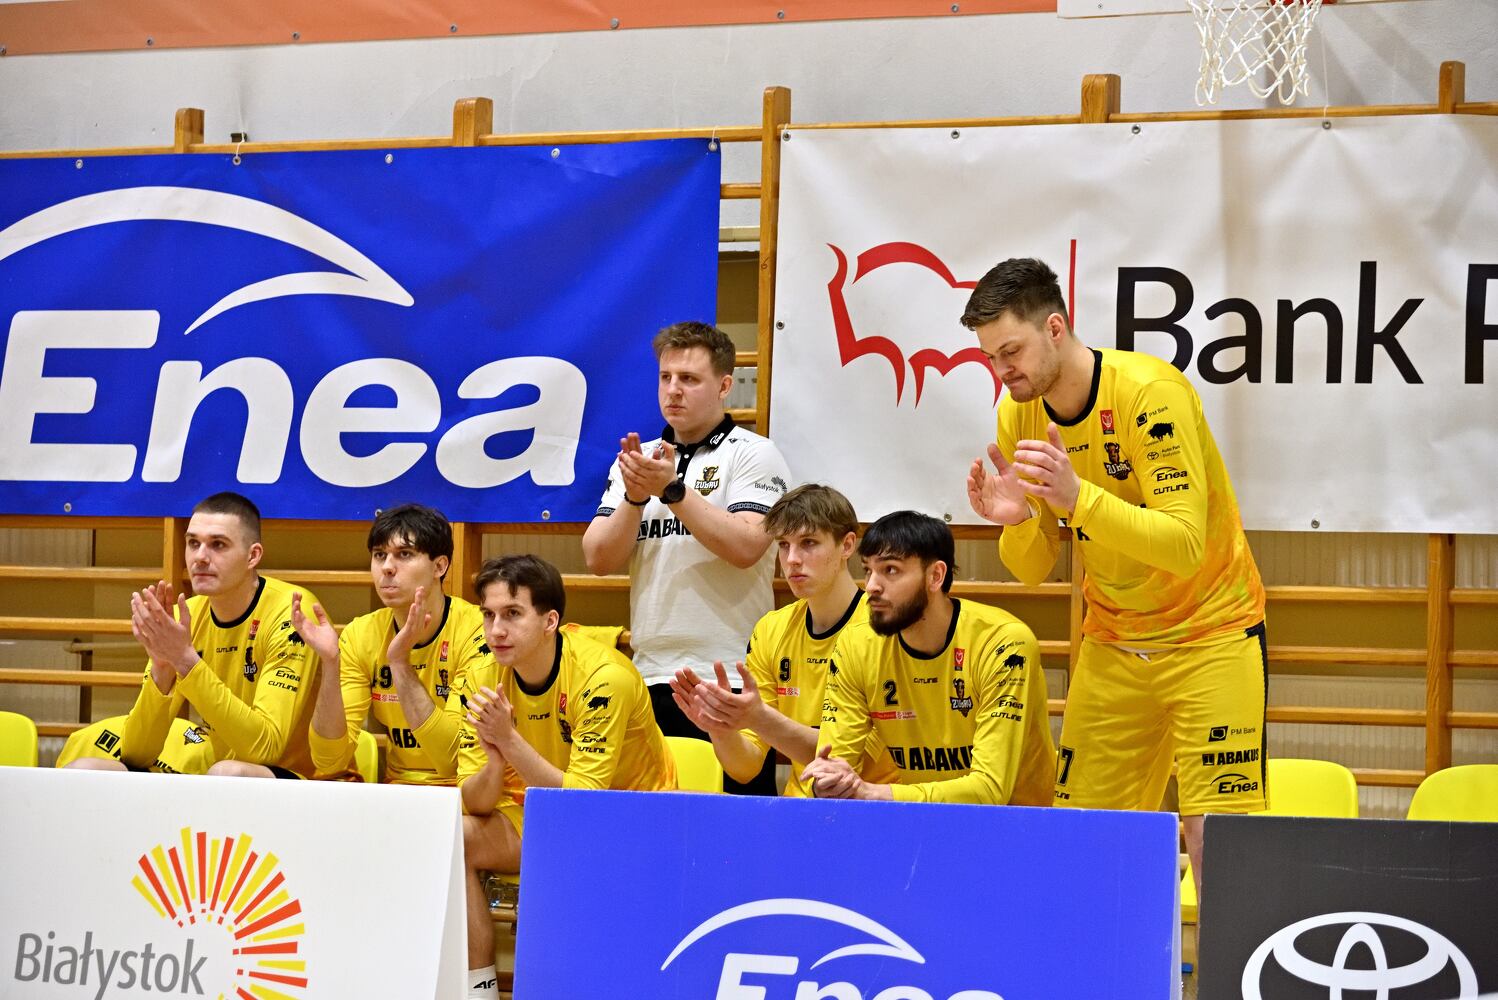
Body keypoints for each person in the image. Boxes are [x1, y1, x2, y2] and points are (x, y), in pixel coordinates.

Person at [961, 256, 1267, 889]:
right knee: (1084, 840)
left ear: (1054, 327)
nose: (1002, 370)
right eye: (991, 357)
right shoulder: (1019, 414)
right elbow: (1033, 571)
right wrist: (1019, 521)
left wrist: (1079, 501)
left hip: (1212, 634)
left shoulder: (1150, 392)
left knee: (1214, 839)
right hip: (1115, 640)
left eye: (1011, 351)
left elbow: (1185, 544)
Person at [581, 320, 791, 794]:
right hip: (648, 676)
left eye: (689, 379)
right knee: (651, 829)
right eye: (666, 377)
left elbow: (746, 546)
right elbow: (597, 558)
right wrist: (635, 496)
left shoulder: (754, 454)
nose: (673, 389)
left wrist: (672, 491)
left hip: (728, 675)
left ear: (724, 386)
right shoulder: (638, 461)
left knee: (734, 830)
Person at [457, 555, 676, 1000]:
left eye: (512, 614)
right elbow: (474, 802)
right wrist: (495, 762)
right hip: (542, 813)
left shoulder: (603, 679)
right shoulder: (481, 676)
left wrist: (508, 739)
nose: (496, 630)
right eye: (488, 615)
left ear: (550, 621)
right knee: (453, 838)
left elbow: (582, 806)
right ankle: (479, 991)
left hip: (630, 817)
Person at [803, 511, 1055, 805]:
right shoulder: (856, 646)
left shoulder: (1003, 644)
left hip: (1019, 822)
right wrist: (828, 783)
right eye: (868, 570)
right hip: (917, 818)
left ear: (935, 576)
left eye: (891, 570)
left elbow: (989, 791)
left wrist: (869, 792)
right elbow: (836, 765)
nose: (871, 586)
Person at [67, 492, 321, 778]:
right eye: (193, 543)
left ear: (252, 556)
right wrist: (163, 669)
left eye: (218, 544)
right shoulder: (185, 617)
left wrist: (186, 661)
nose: (200, 557)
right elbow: (137, 753)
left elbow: (265, 748)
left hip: (302, 779)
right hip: (218, 770)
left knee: (228, 774)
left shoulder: (292, 613)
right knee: (84, 770)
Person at [669, 483, 897, 796]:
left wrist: (760, 718)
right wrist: (721, 728)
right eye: (784, 545)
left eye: (808, 543)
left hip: (875, 804)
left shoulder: (885, 628)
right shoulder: (771, 630)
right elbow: (745, 768)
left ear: (847, 545)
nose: (791, 560)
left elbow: (850, 758)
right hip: (799, 808)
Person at [296, 503, 486, 784]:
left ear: (439, 566)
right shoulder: (361, 634)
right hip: (398, 790)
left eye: (404, 554)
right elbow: (328, 760)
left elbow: (453, 761)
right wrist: (331, 664)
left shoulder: (478, 631)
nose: (386, 567)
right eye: (379, 555)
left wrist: (399, 663)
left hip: (468, 791)